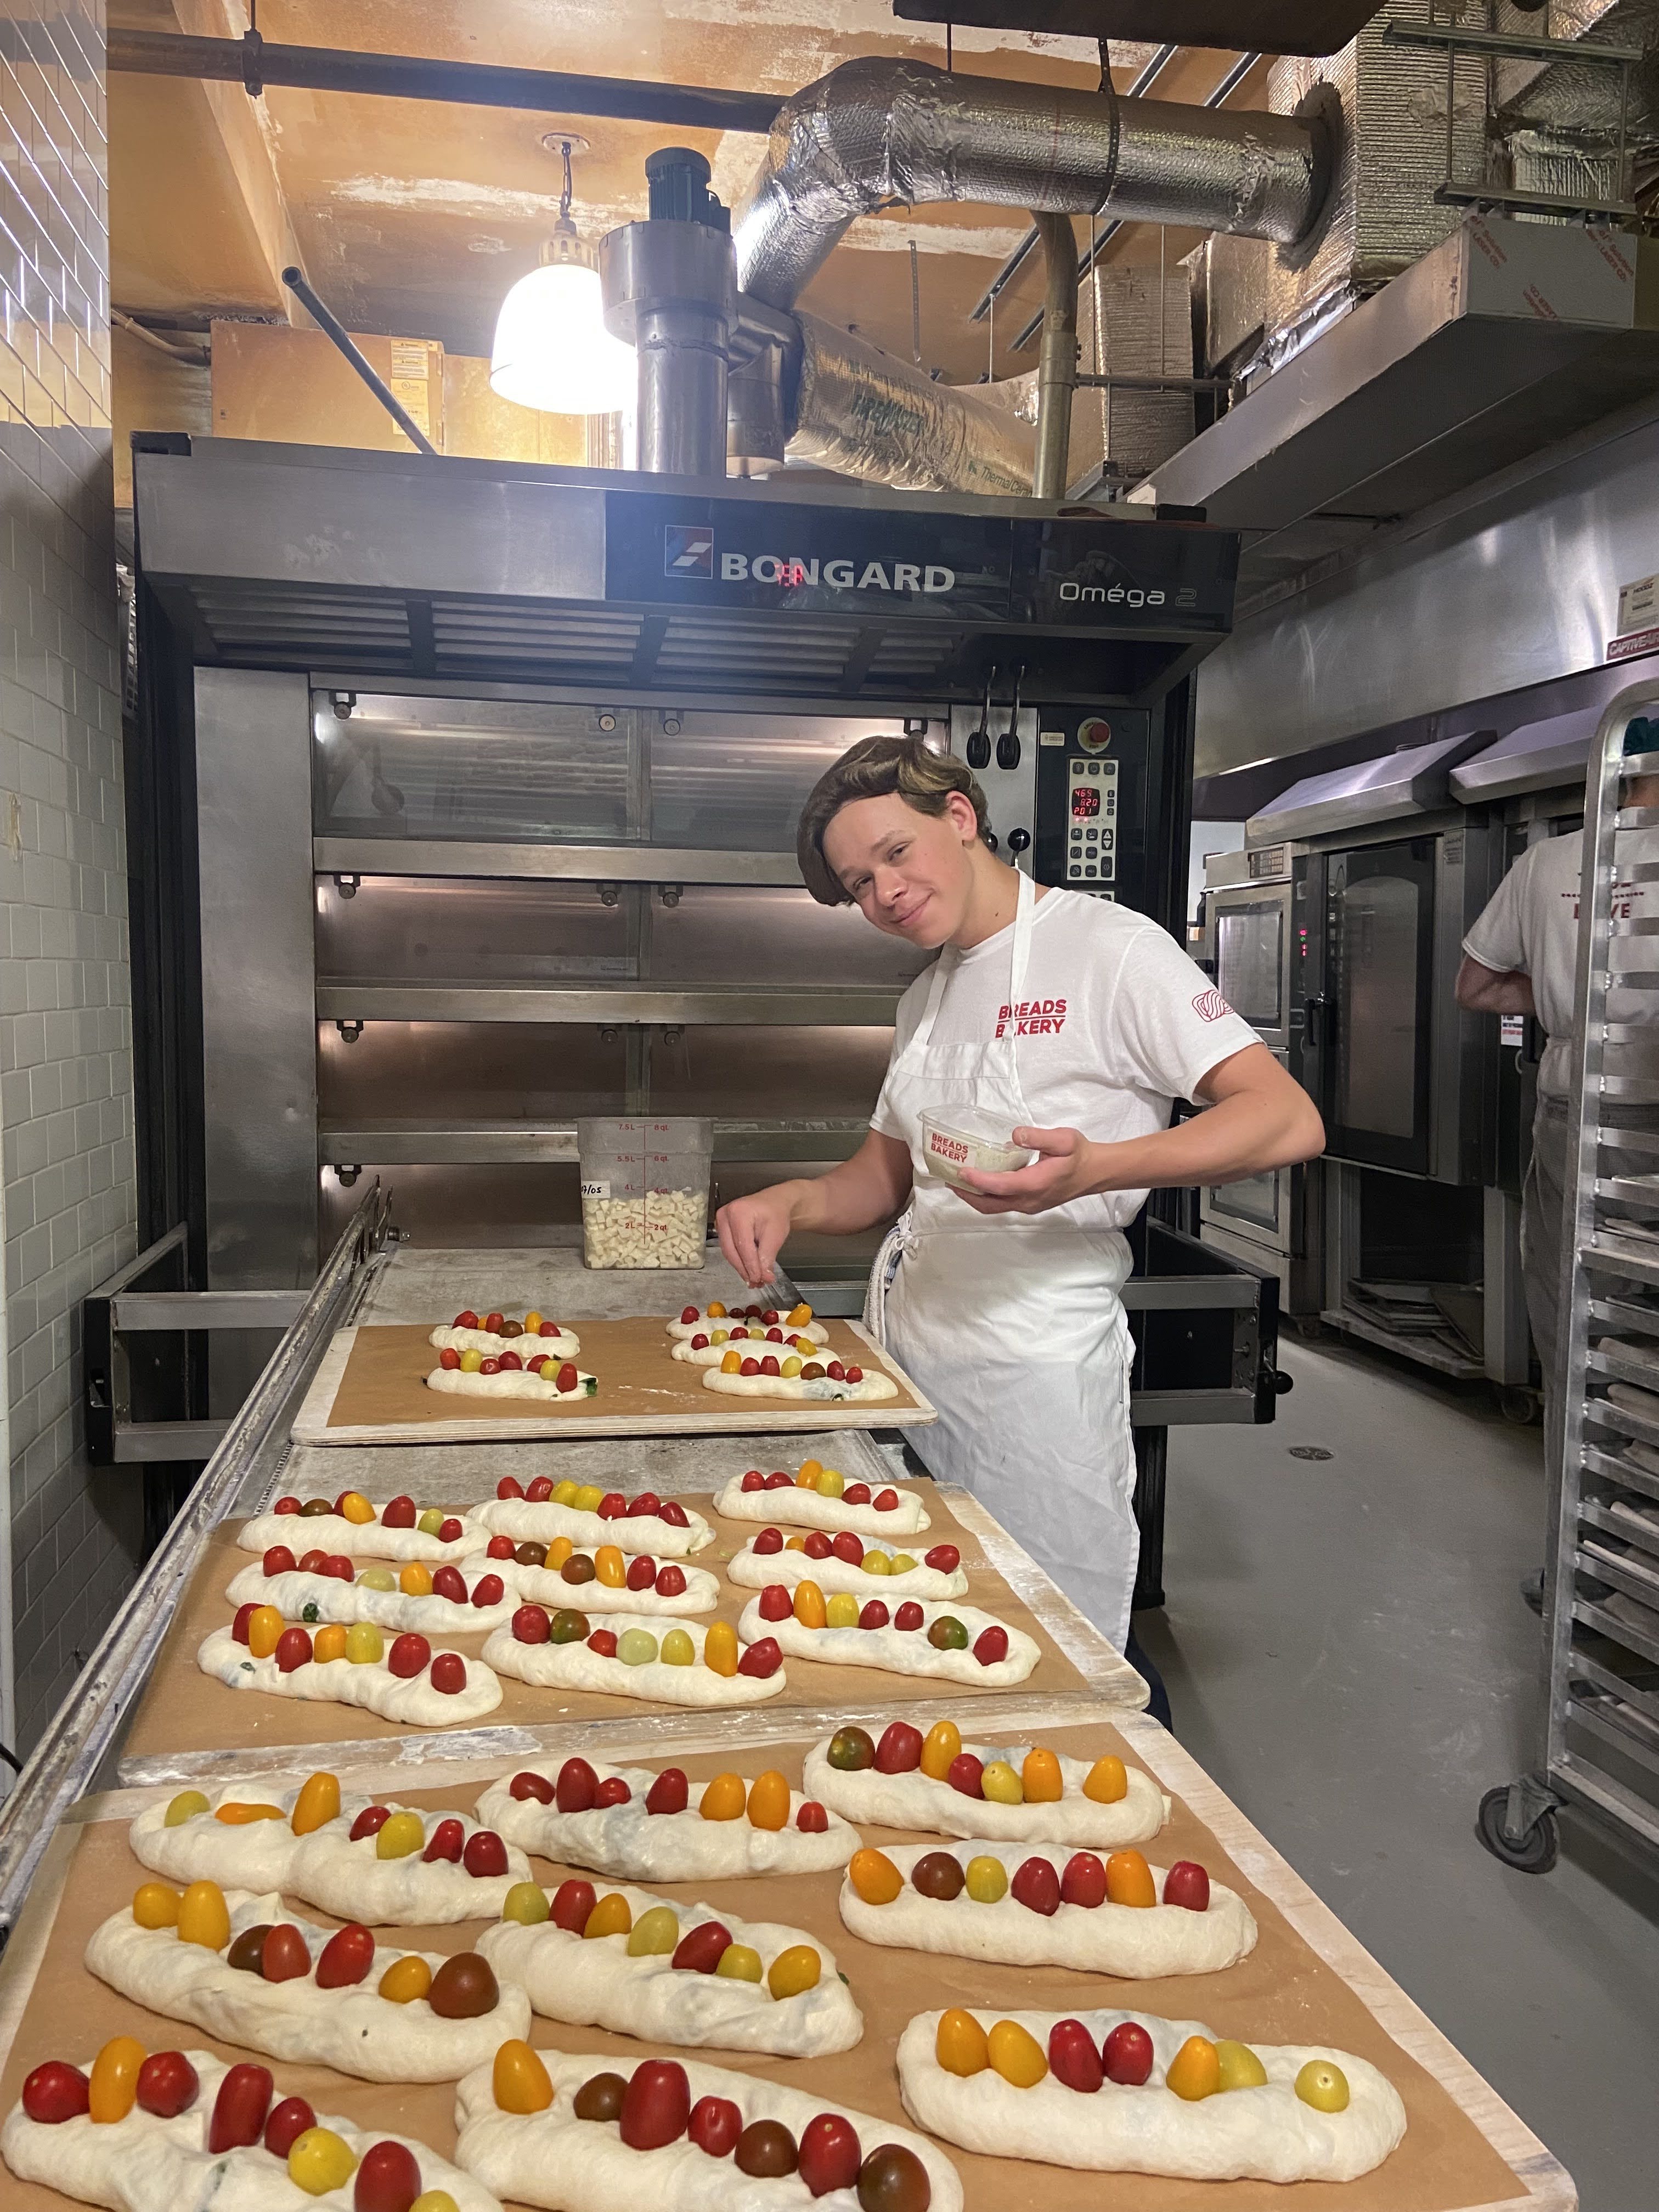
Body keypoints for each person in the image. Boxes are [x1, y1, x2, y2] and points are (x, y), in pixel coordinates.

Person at [715, 736, 1325, 1679]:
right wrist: (791, 1199)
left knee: (1061, 1649)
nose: (885, 893)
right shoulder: (927, 997)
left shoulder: (1111, 949)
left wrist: (1099, 1169)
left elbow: (1285, 1118)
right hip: (915, 1363)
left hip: (1035, 1380)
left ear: (959, 817)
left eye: (895, 853)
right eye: (859, 884)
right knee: (944, 1636)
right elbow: (883, 1182)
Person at [1457, 760, 1659, 1610]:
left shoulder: (1550, 862)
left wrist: (1561, 995)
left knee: (1577, 1325)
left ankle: (1586, 1567)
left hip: (1580, 1104)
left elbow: (1475, 985)